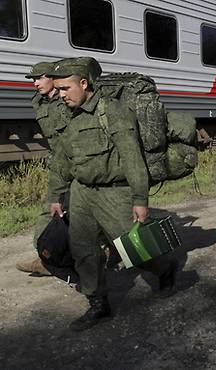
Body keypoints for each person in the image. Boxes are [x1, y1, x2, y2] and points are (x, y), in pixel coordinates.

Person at [47, 57, 177, 332]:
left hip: (114, 193)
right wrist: (56, 195)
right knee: (84, 252)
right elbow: (61, 160)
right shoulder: (68, 116)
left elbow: (132, 158)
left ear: (84, 83)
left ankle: (165, 269)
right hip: (81, 193)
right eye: (57, 89)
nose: (60, 95)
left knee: (136, 248)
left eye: (65, 88)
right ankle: (98, 304)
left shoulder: (112, 111)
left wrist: (140, 199)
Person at [15, 61, 69, 276]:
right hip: (60, 163)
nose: (35, 83)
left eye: (39, 78)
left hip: (79, 163)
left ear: (53, 78)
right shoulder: (40, 101)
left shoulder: (68, 99)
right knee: (52, 209)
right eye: (33, 79)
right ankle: (46, 258)